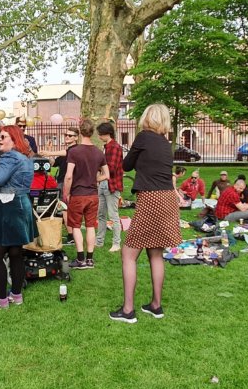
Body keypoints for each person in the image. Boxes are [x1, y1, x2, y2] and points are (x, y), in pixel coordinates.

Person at [110, 103, 181, 323]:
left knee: (128, 254)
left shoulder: (143, 137)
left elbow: (126, 165)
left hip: (151, 198)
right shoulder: (165, 143)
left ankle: (128, 311)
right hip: (168, 198)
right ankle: (156, 306)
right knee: (155, 253)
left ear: (147, 119)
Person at [0, 125, 37, 309]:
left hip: (7, 208)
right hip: (20, 205)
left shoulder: (10, 156)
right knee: (15, 252)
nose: (0, 140)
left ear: (14, 139)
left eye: (3, 136)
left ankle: (2, 300)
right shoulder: (26, 157)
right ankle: (16, 295)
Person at [64, 120, 109, 269]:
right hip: (93, 195)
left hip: (78, 194)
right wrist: (94, 179)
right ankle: (89, 260)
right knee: (90, 226)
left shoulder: (74, 152)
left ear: (80, 132)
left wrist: (66, 193)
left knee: (75, 226)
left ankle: (80, 259)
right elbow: (107, 175)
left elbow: (68, 176)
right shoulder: (98, 152)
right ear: (92, 132)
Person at [96, 121, 124, 252]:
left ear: (108, 133)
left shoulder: (115, 147)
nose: (99, 136)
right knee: (101, 215)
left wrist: (99, 171)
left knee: (113, 216)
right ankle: (99, 241)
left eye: (101, 134)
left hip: (112, 185)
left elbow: (111, 168)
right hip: (103, 184)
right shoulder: (106, 147)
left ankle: (116, 243)